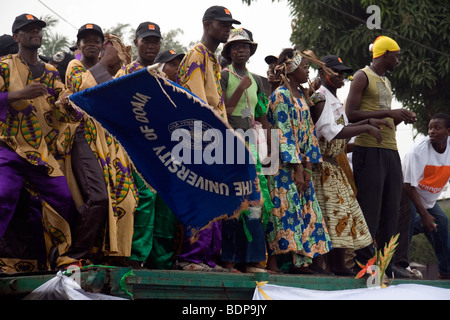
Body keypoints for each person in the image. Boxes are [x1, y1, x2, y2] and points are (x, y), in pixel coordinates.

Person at [0, 13, 82, 270]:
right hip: (9, 147)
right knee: (2, 195)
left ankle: (62, 256)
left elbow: (62, 101)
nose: (35, 32)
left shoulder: (49, 70)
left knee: (62, 197)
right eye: (28, 29)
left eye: (37, 28)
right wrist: (18, 94)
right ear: (17, 37)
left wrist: (70, 103)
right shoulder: (3, 65)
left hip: (40, 152)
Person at [310, 55, 392, 275]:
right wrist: (366, 127)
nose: (341, 76)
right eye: (336, 72)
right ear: (324, 72)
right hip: (322, 168)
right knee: (327, 217)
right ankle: (319, 265)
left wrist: (368, 123)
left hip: (334, 169)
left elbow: (342, 142)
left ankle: (338, 264)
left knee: (344, 217)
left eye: (343, 72)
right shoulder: (319, 98)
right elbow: (331, 133)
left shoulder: (335, 100)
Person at [65, 23, 138, 264]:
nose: (91, 43)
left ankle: (117, 255)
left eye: (96, 40)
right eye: (86, 40)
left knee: (126, 199)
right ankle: (77, 255)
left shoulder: (110, 73)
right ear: (79, 46)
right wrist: (106, 62)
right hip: (84, 136)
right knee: (99, 198)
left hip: (112, 141)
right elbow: (81, 89)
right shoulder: (74, 67)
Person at [175, 5, 240, 272]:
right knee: (201, 195)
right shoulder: (195, 55)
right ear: (207, 24)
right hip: (198, 138)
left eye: (229, 24)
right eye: (222, 24)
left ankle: (207, 258)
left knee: (216, 197)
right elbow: (196, 104)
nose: (227, 28)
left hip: (215, 138)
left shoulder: (212, 59)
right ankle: (190, 257)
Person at [345, 36, 417, 274]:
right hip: (369, 149)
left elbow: (381, 114)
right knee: (370, 209)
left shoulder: (385, 81)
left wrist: (398, 116)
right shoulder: (362, 76)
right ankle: (365, 263)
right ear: (385, 54)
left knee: (391, 209)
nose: (398, 59)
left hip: (390, 149)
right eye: (396, 55)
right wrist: (388, 112)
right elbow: (351, 113)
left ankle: (387, 264)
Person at [114, 23, 180, 270]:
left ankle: (160, 259)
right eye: (146, 41)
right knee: (146, 197)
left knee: (166, 202)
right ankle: (137, 256)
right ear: (136, 42)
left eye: (155, 41)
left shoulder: (162, 76)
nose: (151, 46)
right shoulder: (126, 73)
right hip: (135, 149)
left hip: (162, 150)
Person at [265, 48, 332, 274]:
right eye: (304, 67)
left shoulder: (302, 96)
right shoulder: (280, 95)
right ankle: (284, 263)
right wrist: (297, 168)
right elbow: (283, 133)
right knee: (284, 212)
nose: (307, 72)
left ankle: (302, 261)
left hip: (302, 166)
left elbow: (309, 132)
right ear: (292, 70)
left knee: (306, 212)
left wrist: (308, 168)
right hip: (284, 166)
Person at [219, 28, 272, 273]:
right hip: (230, 140)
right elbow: (221, 112)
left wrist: (271, 150)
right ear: (229, 51)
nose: (241, 50)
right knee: (232, 198)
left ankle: (251, 260)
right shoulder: (224, 76)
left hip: (252, 141)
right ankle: (228, 258)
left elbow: (262, 114)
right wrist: (240, 88)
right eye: (236, 47)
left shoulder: (259, 80)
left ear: (250, 51)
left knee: (254, 201)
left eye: (245, 47)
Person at [403, 113, 450, 280]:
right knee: (408, 218)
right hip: (407, 192)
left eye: (437, 128)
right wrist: (424, 214)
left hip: (428, 198)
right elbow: (409, 185)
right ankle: (400, 265)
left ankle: (446, 271)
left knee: (441, 222)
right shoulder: (418, 151)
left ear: (448, 131)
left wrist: (426, 215)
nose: (431, 131)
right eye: (430, 128)